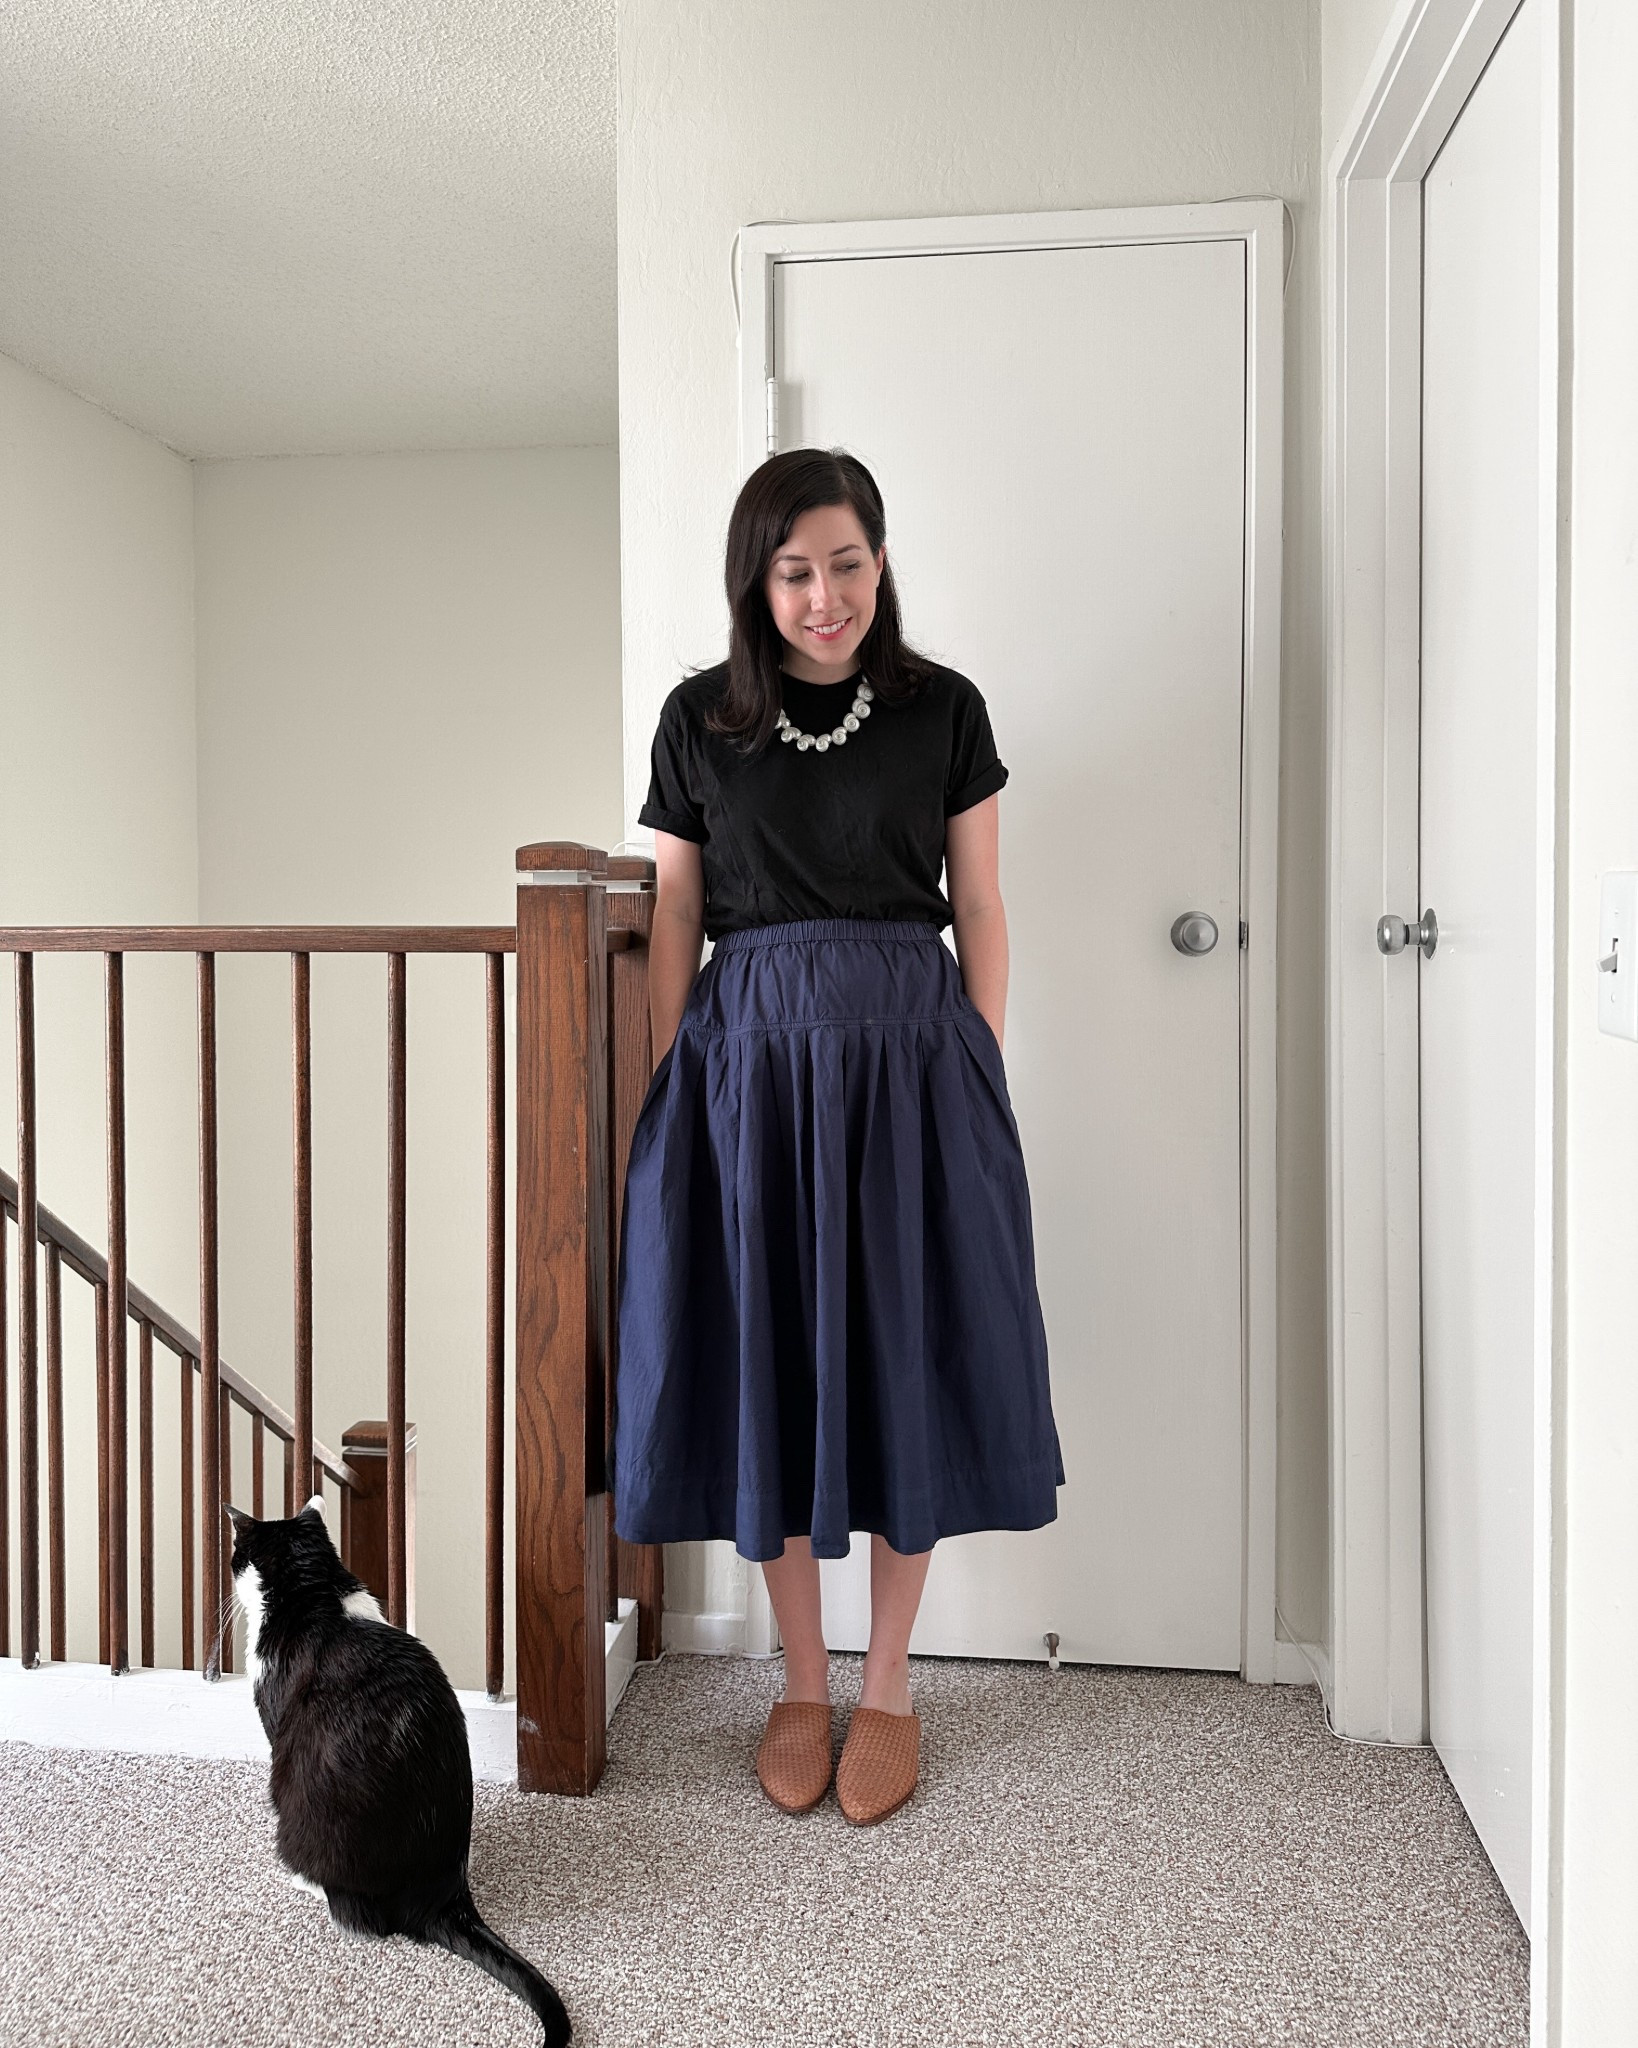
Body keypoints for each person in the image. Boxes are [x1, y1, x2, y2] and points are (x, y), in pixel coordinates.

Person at [611, 447, 1063, 1826]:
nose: (825, 596)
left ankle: (885, 1689)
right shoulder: (699, 719)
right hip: (746, 1062)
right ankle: (797, 1682)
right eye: (796, 570)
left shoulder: (941, 709)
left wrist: (974, 1061)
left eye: (848, 564)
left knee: (900, 1353)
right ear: (757, 578)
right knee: (773, 1358)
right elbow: (677, 912)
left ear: (881, 558)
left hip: (909, 1063)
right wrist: (669, 1070)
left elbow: (976, 903)